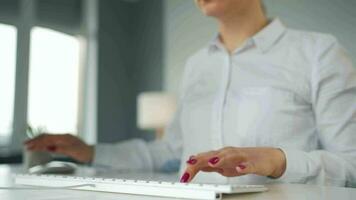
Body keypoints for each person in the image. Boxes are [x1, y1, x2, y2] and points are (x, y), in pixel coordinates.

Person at [25, 0, 356, 186]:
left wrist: (277, 161)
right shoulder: (198, 65)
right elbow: (173, 151)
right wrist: (92, 152)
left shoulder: (319, 53)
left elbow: (351, 164)